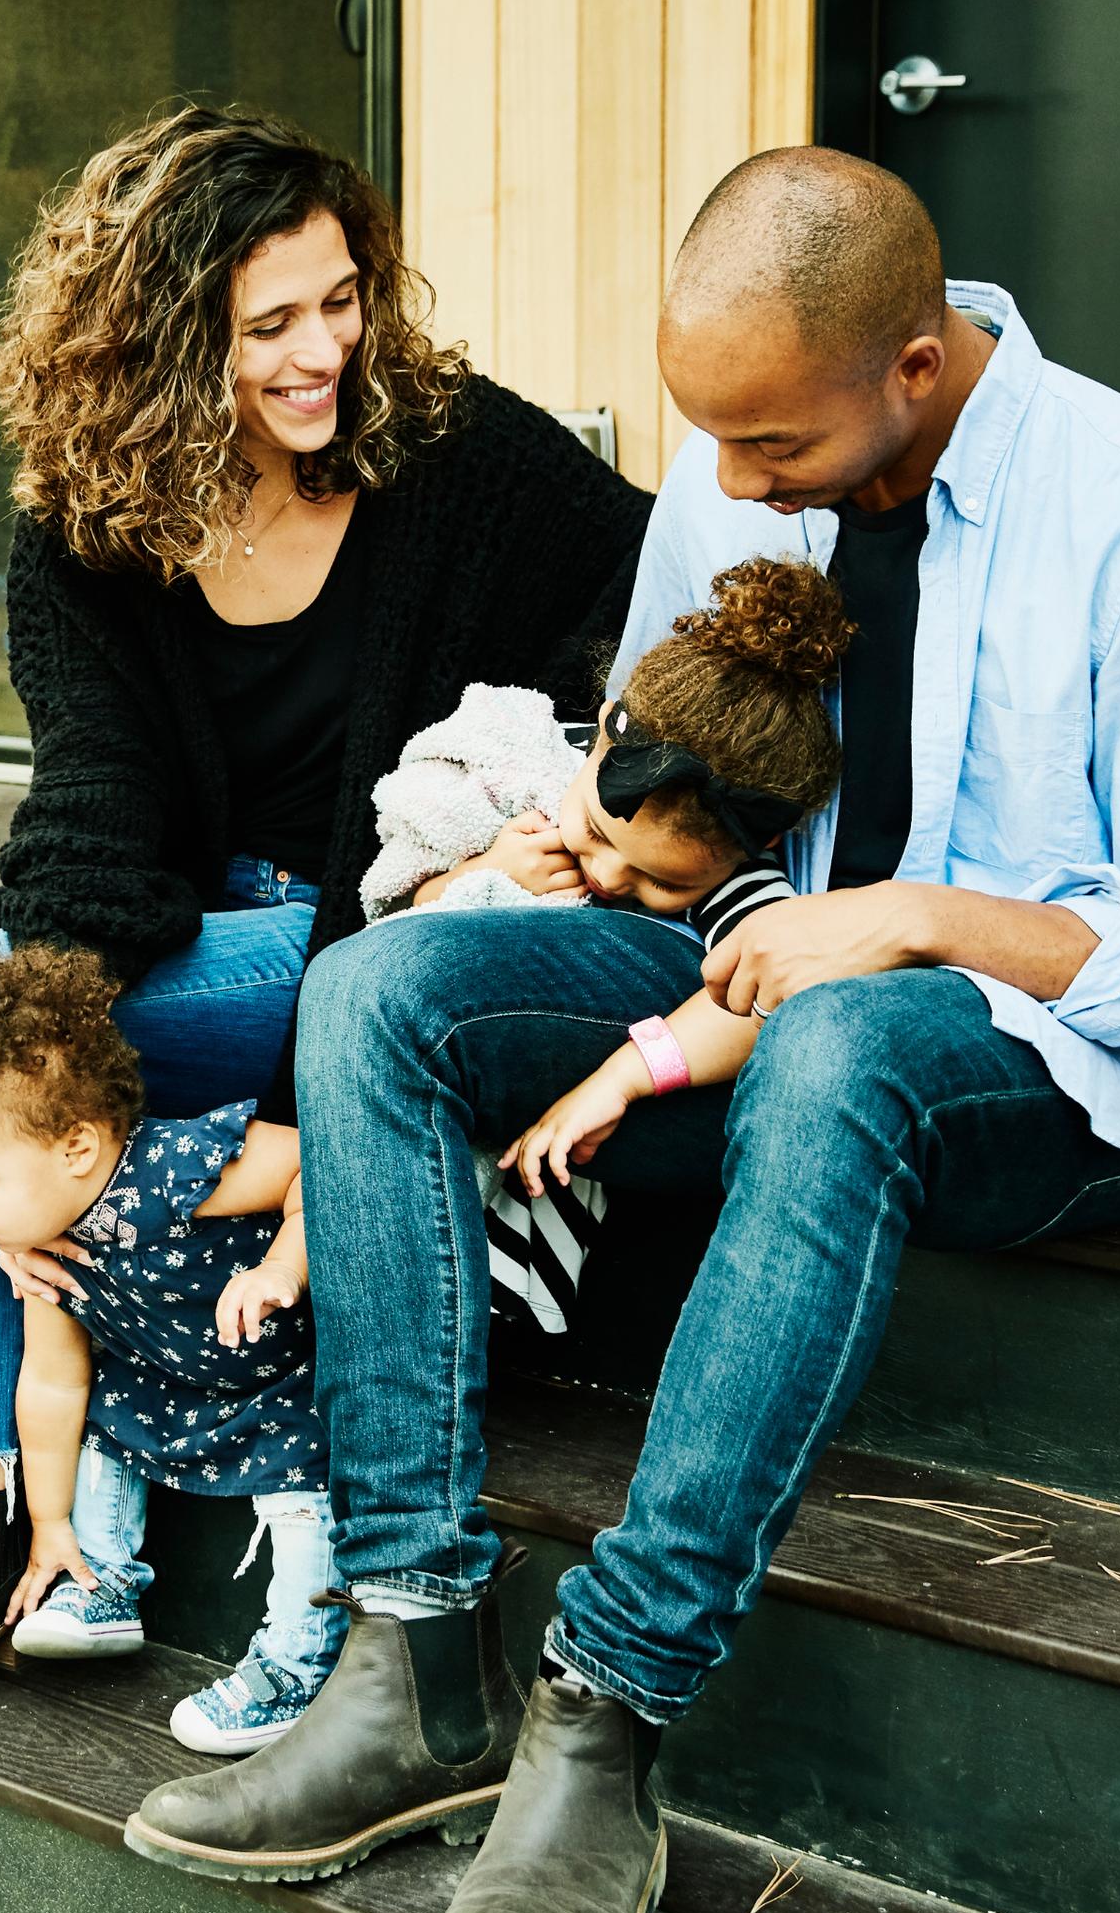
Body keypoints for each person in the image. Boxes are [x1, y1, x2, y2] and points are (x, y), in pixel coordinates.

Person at [123, 146, 1120, 1913]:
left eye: (767, 449)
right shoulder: (740, 453)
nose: (735, 488)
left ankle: (604, 1711)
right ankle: (418, 1651)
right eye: (716, 441)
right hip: (737, 964)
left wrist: (915, 921)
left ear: (914, 369)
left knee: (845, 1043)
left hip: (1040, 1064)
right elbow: (680, 783)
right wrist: (575, 850)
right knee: (380, 986)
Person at [0, 105, 651, 1732]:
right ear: (151, 342)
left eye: (341, 300)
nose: (323, 352)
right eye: (266, 325)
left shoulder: (456, 456)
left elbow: (655, 605)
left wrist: (578, 814)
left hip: (364, 943)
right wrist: (27, 988)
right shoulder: (88, 523)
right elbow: (95, 813)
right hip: (183, 915)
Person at [0, 946, 335, 1749]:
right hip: (163, 1380)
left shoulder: (176, 1169)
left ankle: (297, 1659)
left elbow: (323, 1168)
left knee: (303, 1498)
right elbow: (52, 1381)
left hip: (279, 1375)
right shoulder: (47, 1240)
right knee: (106, 1423)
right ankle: (99, 1579)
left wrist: (282, 1267)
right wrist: (49, 1523)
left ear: (76, 1148)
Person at [357, 557, 853, 1333]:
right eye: (595, 829)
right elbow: (394, 908)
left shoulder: (743, 886)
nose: (611, 875)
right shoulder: (526, 769)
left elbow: (764, 998)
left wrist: (626, 1075)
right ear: (601, 734)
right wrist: (481, 870)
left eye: (663, 883)